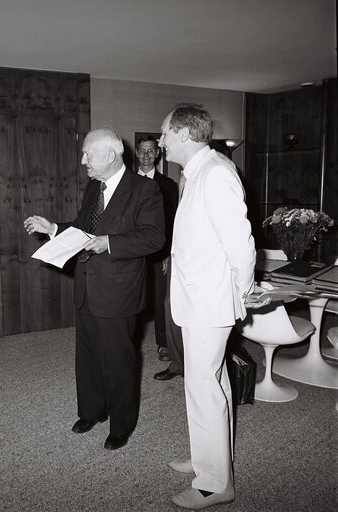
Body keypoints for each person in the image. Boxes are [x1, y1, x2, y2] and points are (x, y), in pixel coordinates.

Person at [24, 128, 165, 450]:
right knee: (87, 355)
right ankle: (92, 411)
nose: (83, 160)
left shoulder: (145, 189)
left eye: (89, 154)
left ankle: (121, 424)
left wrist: (110, 243)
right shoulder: (93, 187)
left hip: (119, 289)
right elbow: (83, 230)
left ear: (111, 155)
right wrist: (54, 229)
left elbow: (154, 237)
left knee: (118, 359)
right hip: (86, 285)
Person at [159, 103, 257, 509]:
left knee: (204, 387)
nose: (160, 140)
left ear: (184, 134)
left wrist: (244, 292)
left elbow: (241, 243)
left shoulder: (215, 173)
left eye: (164, 133)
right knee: (208, 384)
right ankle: (208, 460)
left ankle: (216, 484)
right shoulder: (198, 172)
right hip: (197, 297)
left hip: (209, 301)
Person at [135, 135, 183, 381]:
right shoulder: (127, 183)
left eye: (150, 151)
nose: (146, 155)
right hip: (132, 250)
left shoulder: (168, 185)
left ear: (157, 155)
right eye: (142, 151)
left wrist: (167, 254)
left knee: (162, 299)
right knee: (133, 296)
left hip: (159, 251)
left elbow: (174, 221)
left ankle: (163, 343)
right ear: (136, 153)